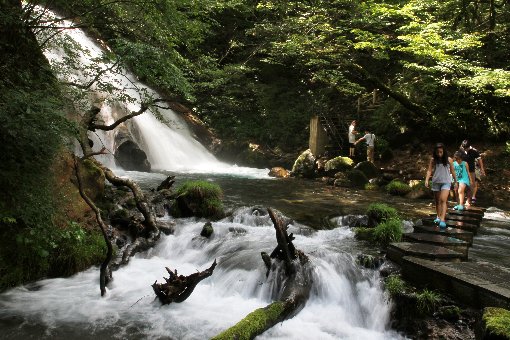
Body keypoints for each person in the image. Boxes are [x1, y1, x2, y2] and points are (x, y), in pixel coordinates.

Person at [425, 143, 458, 229]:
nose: (439, 154)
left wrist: (456, 182)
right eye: (437, 152)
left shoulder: (449, 160)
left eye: (441, 152)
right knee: (437, 201)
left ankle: (442, 219)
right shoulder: (433, 160)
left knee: (443, 199)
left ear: (444, 151)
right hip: (436, 182)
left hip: (446, 182)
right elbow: (429, 170)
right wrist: (427, 180)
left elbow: (453, 171)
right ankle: (438, 216)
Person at [459, 140, 486, 205]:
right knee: (461, 186)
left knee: (471, 186)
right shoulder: (461, 150)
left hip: (471, 170)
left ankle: (468, 201)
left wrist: (482, 169)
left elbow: (479, 160)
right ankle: (460, 201)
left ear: (469, 147)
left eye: (466, 148)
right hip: (462, 170)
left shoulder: (474, 151)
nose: (465, 149)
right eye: (464, 148)